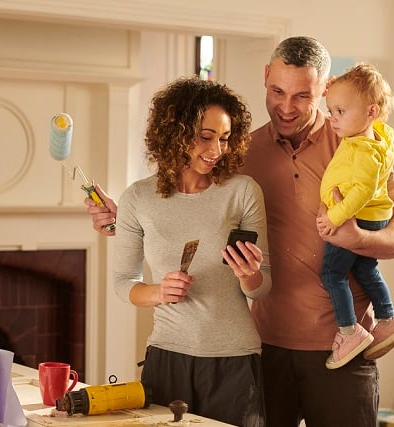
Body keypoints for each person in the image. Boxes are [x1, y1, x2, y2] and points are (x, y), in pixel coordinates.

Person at [87, 37, 394, 427]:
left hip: (341, 346)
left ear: (324, 89)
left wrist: (355, 238)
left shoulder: (356, 145)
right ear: (265, 78)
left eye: (302, 96)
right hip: (264, 347)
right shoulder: (241, 152)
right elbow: (194, 204)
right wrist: (128, 219)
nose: (286, 106)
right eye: (277, 91)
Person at [109, 76, 271, 427]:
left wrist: (249, 275)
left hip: (234, 360)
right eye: (206, 137)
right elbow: (123, 282)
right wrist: (157, 292)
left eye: (225, 139)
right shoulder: (138, 198)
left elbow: (263, 286)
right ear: (174, 134)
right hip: (167, 357)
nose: (216, 151)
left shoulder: (242, 191)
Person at [317, 63, 394, 369]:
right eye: (331, 110)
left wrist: (336, 217)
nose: (333, 118)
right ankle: (387, 318)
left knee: (332, 274)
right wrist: (339, 91)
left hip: (358, 217)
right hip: (374, 216)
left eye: (340, 111)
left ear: (370, 112)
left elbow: (362, 192)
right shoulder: (378, 136)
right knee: (366, 271)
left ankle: (349, 331)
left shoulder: (364, 152)